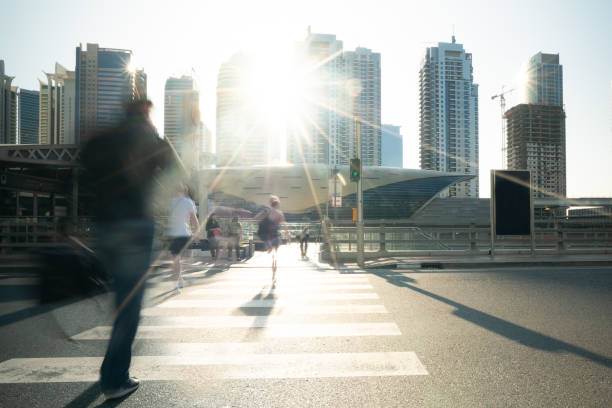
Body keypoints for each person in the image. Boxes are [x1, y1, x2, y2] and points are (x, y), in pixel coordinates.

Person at [80, 99, 180, 400]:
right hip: (134, 227)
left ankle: (112, 368)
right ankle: (115, 378)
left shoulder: (102, 139)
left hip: (104, 228)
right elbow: (177, 168)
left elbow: (82, 171)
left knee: (120, 297)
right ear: (147, 113)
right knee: (129, 306)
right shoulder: (148, 138)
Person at [167, 183, 200, 292]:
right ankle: (180, 279)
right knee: (178, 259)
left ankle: (176, 284)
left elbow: (170, 218)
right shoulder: (188, 202)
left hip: (174, 234)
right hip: (184, 234)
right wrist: (196, 233)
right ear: (185, 191)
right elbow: (194, 220)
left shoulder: (171, 202)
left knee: (175, 259)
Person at [255, 195, 286, 280]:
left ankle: (268, 246)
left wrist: (264, 217)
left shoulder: (267, 211)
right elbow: (284, 225)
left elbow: (256, 218)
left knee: (272, 249)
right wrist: (288, 235)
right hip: (275, 236)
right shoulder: (280, 213)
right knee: (275, 254)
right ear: (277, 205)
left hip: (268, 235)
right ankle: (274, 271)